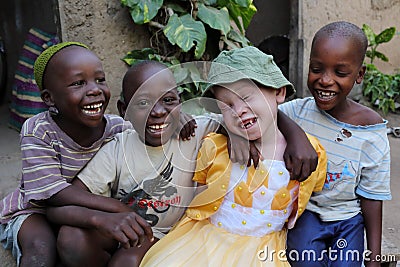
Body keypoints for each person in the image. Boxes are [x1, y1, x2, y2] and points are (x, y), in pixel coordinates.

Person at [47, 59, 321, 267]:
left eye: (168, 101)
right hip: (140, 232)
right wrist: (107, 216)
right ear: (123, 110)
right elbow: (57, 208)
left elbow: (257, 113)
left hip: (176, 234)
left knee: (128, 262)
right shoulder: (117, 152)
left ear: (181, 102)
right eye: (143, 103)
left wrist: (291, 136)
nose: (157, 112)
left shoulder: (201, 129)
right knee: (74, 241)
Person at [140, 46, 327, 267]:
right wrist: (231, 133)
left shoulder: (309, 153)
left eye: (246, 97)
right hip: (206, 241)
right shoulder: (215, 147)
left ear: (279, 92)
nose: (239, 110)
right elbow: (201, 198)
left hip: (263, 251)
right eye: (227, 106)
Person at [278, 21, 391, 266]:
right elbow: (265, 113)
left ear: (359, 75)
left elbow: (372, 198)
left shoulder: (371, 133)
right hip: (306, 214)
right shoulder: (297, 113)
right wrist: (295, 133)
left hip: (348, 218)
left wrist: (374, 258)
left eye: (340, 73)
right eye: (316, 69)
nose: (325, 80)